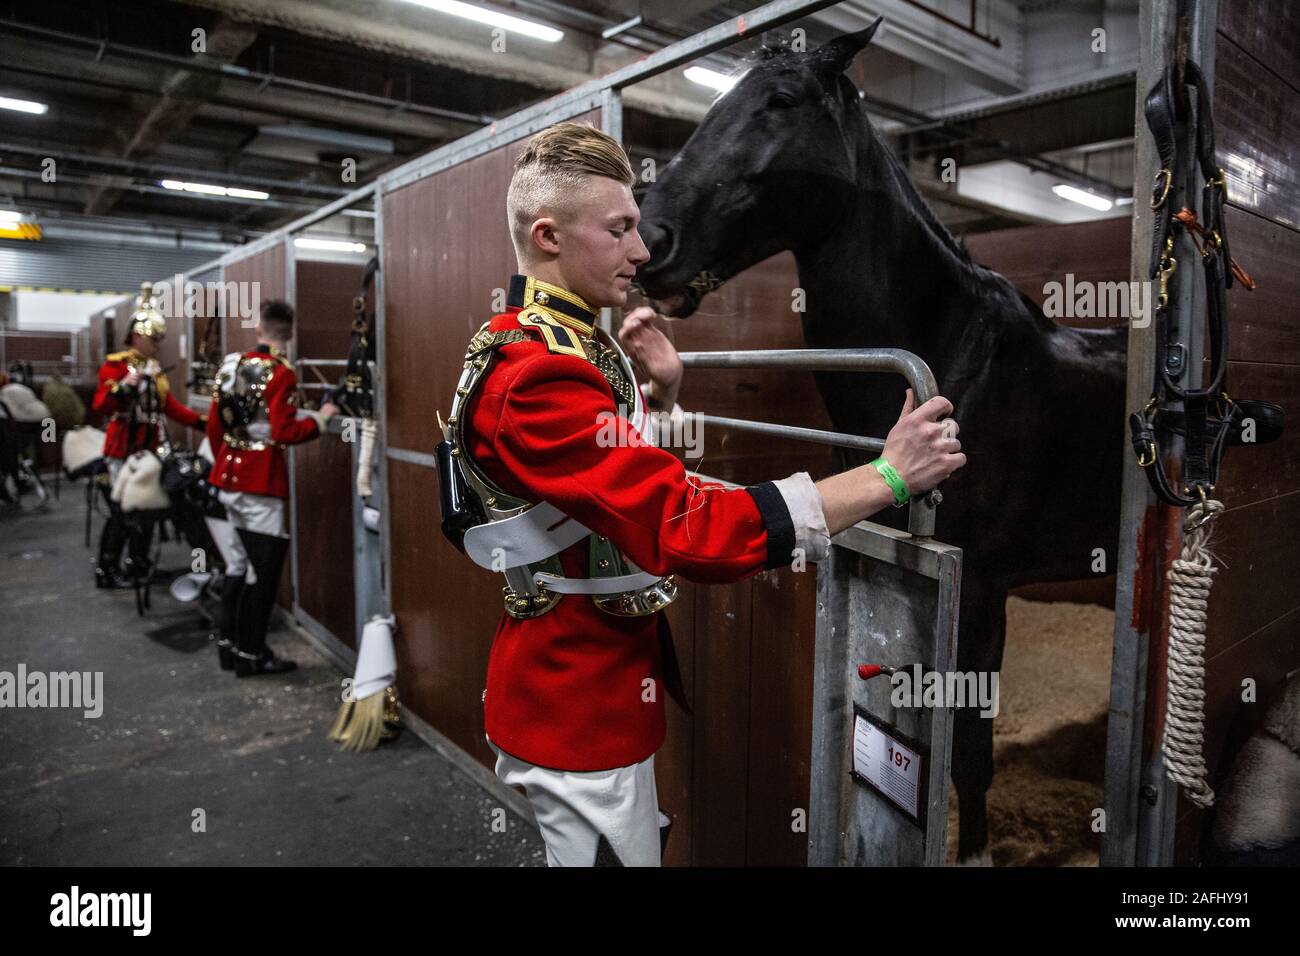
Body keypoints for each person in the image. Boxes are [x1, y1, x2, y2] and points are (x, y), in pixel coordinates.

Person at [442, 122, 966, 866]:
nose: (642, 250)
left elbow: (596, 489)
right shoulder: (539, 372)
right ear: (550, 236)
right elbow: (689, 527)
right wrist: (885, 476)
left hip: (593, 677)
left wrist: (662, 395)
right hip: (576, 699)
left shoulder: (553, 343)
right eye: (620, 229)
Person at [206, 300, 338, 677]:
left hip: (227, 476)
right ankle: (253, 653)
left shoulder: (230, 365)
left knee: (237, 566)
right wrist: (321, 421)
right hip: (261, 481)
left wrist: (225, 464)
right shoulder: (281, 373)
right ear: (290, 334)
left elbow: (215, 427)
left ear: (259, 329)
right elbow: (284, 432)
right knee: (262, 574)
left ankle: (230, 647)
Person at [91, 282, 206, 588]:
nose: (158, 344)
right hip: (122, 448)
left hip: (150, 447)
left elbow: (170, 407)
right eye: (154, 338)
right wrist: (126, 386)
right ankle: (107, 569)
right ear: (138, 336)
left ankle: (137, 563)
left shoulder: (153, 367)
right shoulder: (116, 367)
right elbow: (101, 405)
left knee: (145, 508)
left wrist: (204, 423)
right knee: (122, 509)